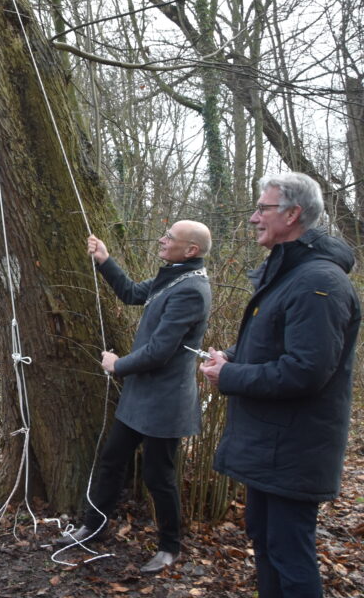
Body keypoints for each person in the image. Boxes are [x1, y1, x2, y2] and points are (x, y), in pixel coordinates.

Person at [200, 173, 359, 598]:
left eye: (262, 209)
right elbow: (274, 340)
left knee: (290, 553)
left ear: (292, 214)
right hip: (270, 446)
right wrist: (232, 357)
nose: (253, 218)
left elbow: (306, 371)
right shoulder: (290, 274)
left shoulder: (319, 282)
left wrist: (228, 376)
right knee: (267, 542)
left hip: (294, 449)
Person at [55, 220, 213, 574]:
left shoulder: (192, 290)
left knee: (159, 476)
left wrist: (117, 364)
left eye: (169, 237)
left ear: (191, 250)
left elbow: (159, 352)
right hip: (140, 395)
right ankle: (92, 526)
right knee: (111, 460)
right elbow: (130, 293)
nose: (162, 239)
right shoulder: (174, 275)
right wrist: (105, 260)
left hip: (166, 402)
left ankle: (170, 548)